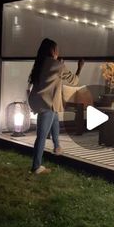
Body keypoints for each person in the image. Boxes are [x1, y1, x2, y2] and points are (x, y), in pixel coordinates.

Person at [28, 38, 84, 174]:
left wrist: (60, 64)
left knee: (55, 119)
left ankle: (57, 147)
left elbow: (52, 76)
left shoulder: (41, 63)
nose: (58, 51)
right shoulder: (57, 66)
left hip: (40, 101)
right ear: (52, 50)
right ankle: (36, 167)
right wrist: (79, 67)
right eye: (57, 49)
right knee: (41, 136)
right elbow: (74, 81)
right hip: (47, 104)